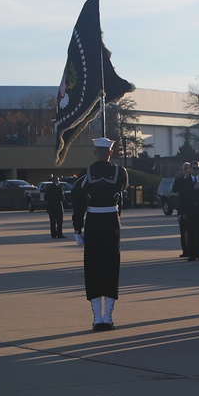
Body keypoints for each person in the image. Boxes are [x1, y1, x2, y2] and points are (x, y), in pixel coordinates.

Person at [71, 137, 128, 331]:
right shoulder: (121, 173)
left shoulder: (85, 174)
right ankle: (107, 317)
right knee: (111, 267)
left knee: (93, 268)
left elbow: (78, 202)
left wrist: (77, 228)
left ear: (95, 152)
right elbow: (121, 192)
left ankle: (97, 318)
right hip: (112, 222)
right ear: (111, 153)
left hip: (93, 222)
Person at [179, 161, 199, 260]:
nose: (196, 170)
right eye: (194, 168)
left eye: (198, 168)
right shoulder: (185, 182)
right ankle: (192, 254)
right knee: (191, 232)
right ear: (190, 169)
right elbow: (182, 197)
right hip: (190, 211)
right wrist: (182, 212)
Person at [172, 162, 191, 258]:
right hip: (182, 208)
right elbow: (174, 189)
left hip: (191, 208)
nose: (187, 170)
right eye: (185, 168)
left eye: (188, 168)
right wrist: (184, 180)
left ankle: (192, 249)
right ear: (182, 170)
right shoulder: (179, 180)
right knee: (183, 231)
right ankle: (185, 251)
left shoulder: (193, 180)